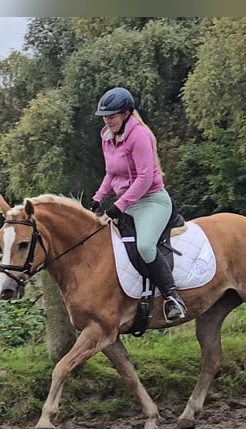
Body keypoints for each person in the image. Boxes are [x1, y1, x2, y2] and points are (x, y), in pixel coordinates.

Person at [89, 86, 187, 321]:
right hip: (128, 203)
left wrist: (120, 205)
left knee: (145, 246)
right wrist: (98, 197)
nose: (107, 120)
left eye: (111, 116)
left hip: (152, 201)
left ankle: (173, 298)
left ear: (126, 113)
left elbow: (144, 178)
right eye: (105, 116)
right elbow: (111, 173)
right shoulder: (107, 137)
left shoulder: (139, 135)